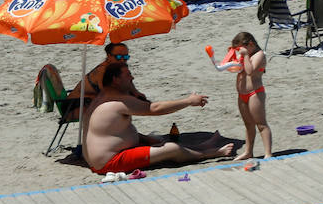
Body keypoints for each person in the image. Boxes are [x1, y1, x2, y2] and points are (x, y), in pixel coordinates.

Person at [82, 63, 233, 175]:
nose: (132, 77)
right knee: (171, 148)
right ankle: (211, 153)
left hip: (103, 156)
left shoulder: (103, 96)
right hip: (110, 162)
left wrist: (143, 138)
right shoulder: (117, 101)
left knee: (157, 138)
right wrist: (188, 101)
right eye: (128, 75)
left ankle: (203, 146)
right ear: (115, 79)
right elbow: (154, 109)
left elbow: (112, 132)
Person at [230, 32, 272, 160]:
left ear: (251, 44)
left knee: (261, 124)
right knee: (248, 124)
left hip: (255, 93)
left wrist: (245, 55)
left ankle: (268, 153)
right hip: (242, 94)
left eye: (241, 48)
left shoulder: (259, 55)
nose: (240, 51)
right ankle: (248, 151)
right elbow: (238, 69)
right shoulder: (247, 55)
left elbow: (250, 71)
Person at [67, 42, 148, 106]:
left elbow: (128, 83)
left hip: (90, 101)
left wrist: (136, 93)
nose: (123, 60)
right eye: (119, 57)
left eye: (126, 57)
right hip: (75, 105)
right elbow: (106, 93)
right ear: (109, 56)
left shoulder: (118, 67)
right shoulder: (103, 70)